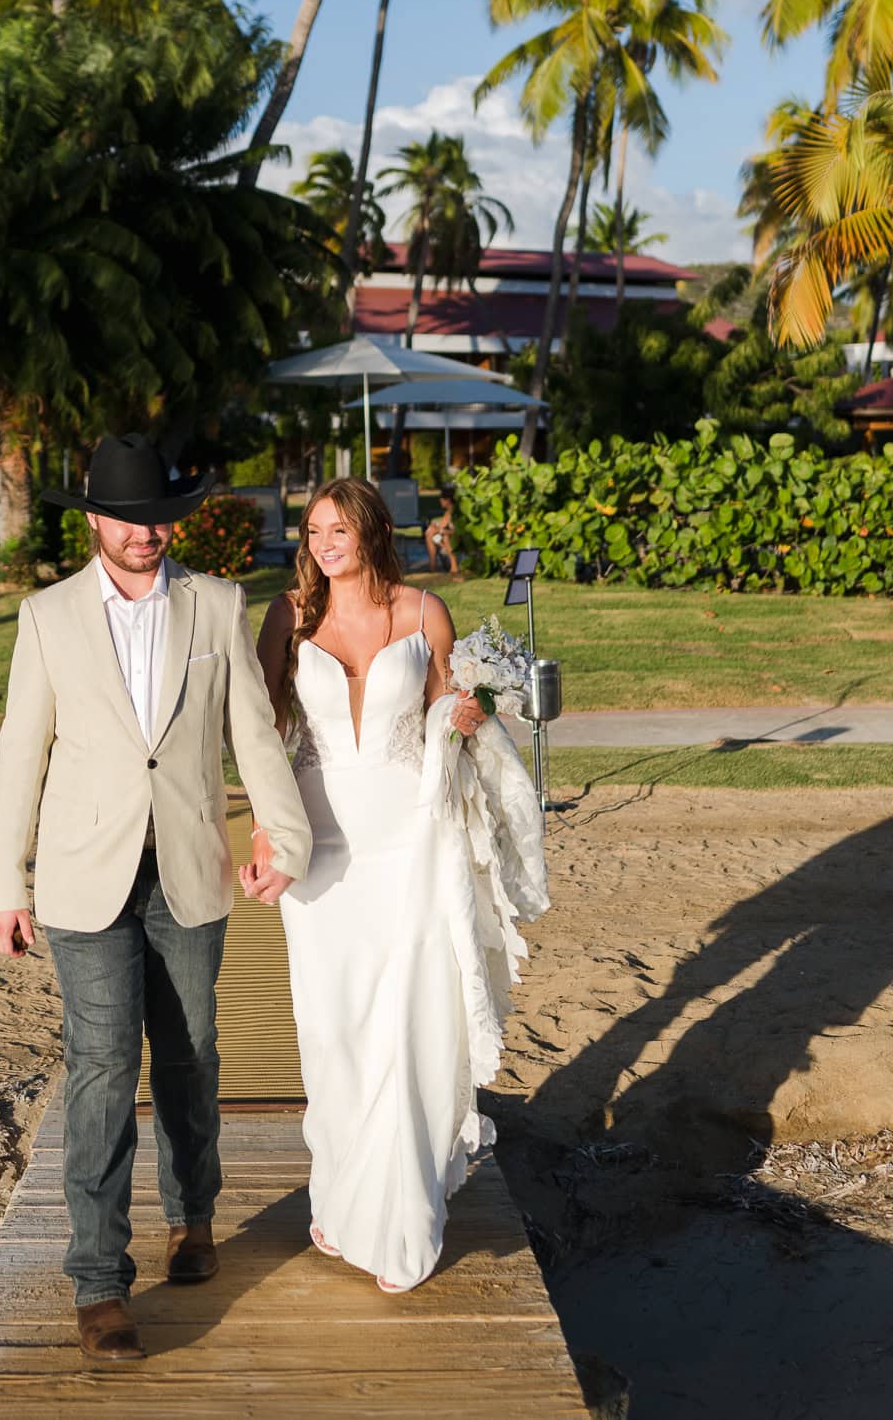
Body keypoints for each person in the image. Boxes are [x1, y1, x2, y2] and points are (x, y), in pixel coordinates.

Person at [0, 433, 311, 1364]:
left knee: (193, 1054)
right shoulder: (46, 616)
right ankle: (98, 1283)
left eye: (160, 519)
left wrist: (281, 835)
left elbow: (253, 728)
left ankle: (192, 1218)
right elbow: (21, 753)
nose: (147, 535)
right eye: (129, 520)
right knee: (99, 1066)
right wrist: (4, 881)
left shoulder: (215, 605)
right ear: (93, 519)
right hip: (86, 877)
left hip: (190, 870)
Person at [255, 476, 547, 1293]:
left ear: (373, 532)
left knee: (412, 1016)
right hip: (318, 851)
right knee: (334, 1028)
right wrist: (261, 831)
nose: (324, 543)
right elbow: (262, 733)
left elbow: (449, 715)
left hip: (410, 843)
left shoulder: (424, 615)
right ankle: (343, 1199)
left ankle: (405, 1216)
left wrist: (467, 714)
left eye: (339, 528)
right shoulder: (288, 617)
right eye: (314, 530)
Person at [424, 486, 460, 576]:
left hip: (456, 540)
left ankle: (452, 566)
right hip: (446, 540)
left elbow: (457, 532)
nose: (440, 501)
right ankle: (433, 567)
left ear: (447, 500)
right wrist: (436, 528)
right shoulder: (448, 512)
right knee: (430, 533)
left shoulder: (455, 513)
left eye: (442, 499)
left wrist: (441, 531)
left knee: (444, 536)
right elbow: (442, 527)